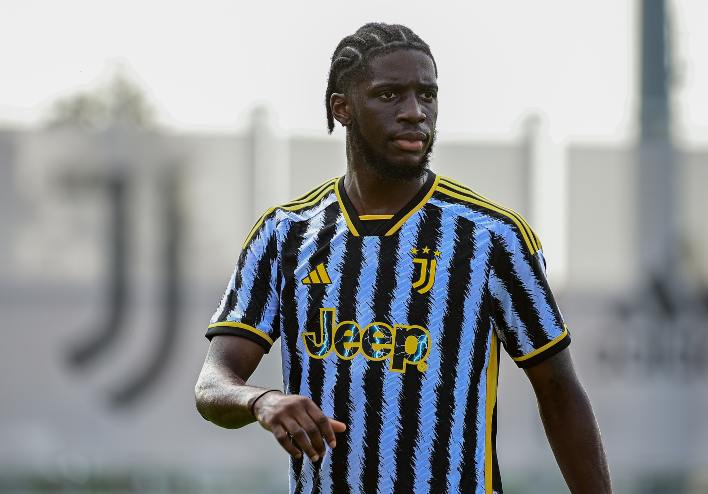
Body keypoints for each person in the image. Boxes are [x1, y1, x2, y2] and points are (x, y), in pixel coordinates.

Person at [195, 22, 611, 494]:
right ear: (342, 108)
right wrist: (262, 401)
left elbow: (559, 392)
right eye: (389, 95)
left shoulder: (491, 237)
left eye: (427, 95)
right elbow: (213, 385)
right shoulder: (284, 234)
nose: (415, 112)